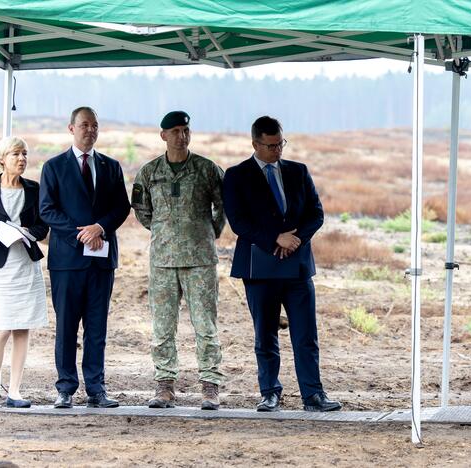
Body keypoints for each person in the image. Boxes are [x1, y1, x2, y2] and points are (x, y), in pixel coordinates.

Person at [222, 116, 341, 412]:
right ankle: (270, 392)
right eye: (271, 146)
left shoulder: (299, 172)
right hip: (260, 268)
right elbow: (239, 222)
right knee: (265, 335)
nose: (278, 151)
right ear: (255, 144)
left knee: (306, 335)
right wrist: (276, 238)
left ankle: (313, 395)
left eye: (281, 144)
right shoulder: (236, 175)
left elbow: (316, 214)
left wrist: (295, 239)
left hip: (297, 267)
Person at [131, 111, 226, 410]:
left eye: (185, 130)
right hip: (163, 259)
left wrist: (208, 232)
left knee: (205, 325)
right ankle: (164, 386)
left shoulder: (207, 169)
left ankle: (210, 387)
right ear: (163, 135)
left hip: (200, 258)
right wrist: (164, 231)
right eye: (175, 131)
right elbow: (142, 210)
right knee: (162, 326)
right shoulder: (149, 172)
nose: (181, 136)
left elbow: (223, 206)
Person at [39, 106, 131, 409]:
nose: (90, 130)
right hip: (67, 261)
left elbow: (122, 207)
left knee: (97, 328)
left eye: (94, 125)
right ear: (71, 128)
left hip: (102, 261)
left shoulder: (111, 166)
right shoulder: (53, 167)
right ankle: (65, 387)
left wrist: (100, 227)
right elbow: (47, 209)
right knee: (66, 327)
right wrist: (81, 234)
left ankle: (96, 388)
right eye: (84, 125)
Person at [0, 136, 49, 409]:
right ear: (2, 158)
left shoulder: (34, 189)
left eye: (25, 154)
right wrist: (0, 232)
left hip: (26, 263)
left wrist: (29, 232)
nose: (22, 159)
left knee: (21, 328)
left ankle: (15, 391)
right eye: (16, 154)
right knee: (0, 328)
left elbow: (43, 227)